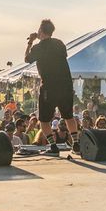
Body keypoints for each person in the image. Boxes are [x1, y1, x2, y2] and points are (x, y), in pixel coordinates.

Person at [25, 19, 79, 149]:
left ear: (40, 30)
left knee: (44, 120)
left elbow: (27, 58)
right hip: (66, 85)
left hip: (49, 87)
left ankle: (53, 146)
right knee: (68, 116)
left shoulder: (38, 47)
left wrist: (31, 41)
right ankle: (76, 142)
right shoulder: (60, 43)